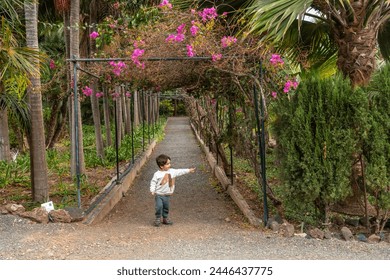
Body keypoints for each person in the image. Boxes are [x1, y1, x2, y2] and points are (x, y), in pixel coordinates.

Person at [150, 154, 195, 227]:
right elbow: (153, 182)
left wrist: (189, 170)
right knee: (159, 206)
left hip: (167, 195)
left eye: (169, 163)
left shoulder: (172, 171)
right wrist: (152, 190)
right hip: (159, 194)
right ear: (161, 166)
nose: (170, 165)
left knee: (166, 207)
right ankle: (158, 218)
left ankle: (165, 218)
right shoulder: (157, 174)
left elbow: (180, 171)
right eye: (167, 164)